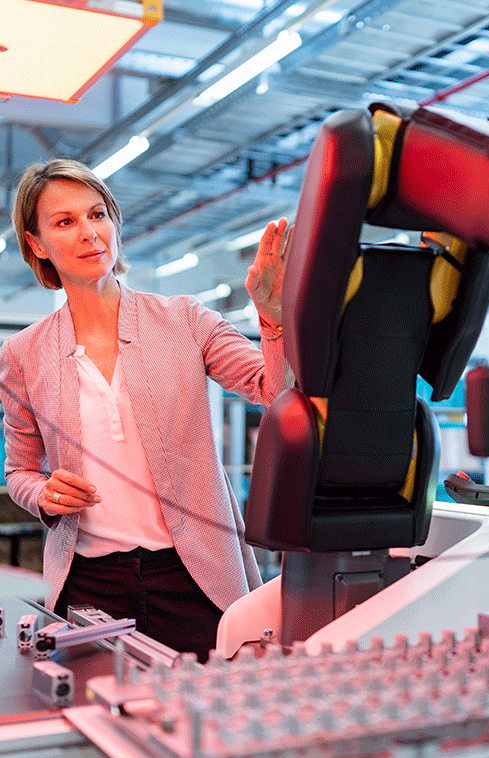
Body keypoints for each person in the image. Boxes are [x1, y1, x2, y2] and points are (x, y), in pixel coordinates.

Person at [0, 158, 293, 662]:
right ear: (37, 244)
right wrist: (45, 494)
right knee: (100, 721)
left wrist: (274, 317)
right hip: (91, 585)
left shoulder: (184, 320)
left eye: (97, 214)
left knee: (212, 717)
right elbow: (20, 470)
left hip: (193, 574)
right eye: (65, 222)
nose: (90, 233)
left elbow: (274, 390)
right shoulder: (23, 354)